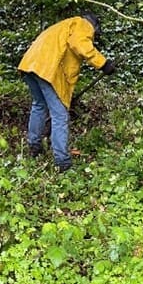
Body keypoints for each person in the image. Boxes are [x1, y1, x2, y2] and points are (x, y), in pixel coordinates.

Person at [18, 12, 115, 173]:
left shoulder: (63, 25)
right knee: (60, 115)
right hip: (48, 70)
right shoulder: (82, 25)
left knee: (39, 105)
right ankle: (62, 161)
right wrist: (103, 64)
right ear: (94, 26)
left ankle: (34, 146)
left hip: (30, 65)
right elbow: (80, 43)